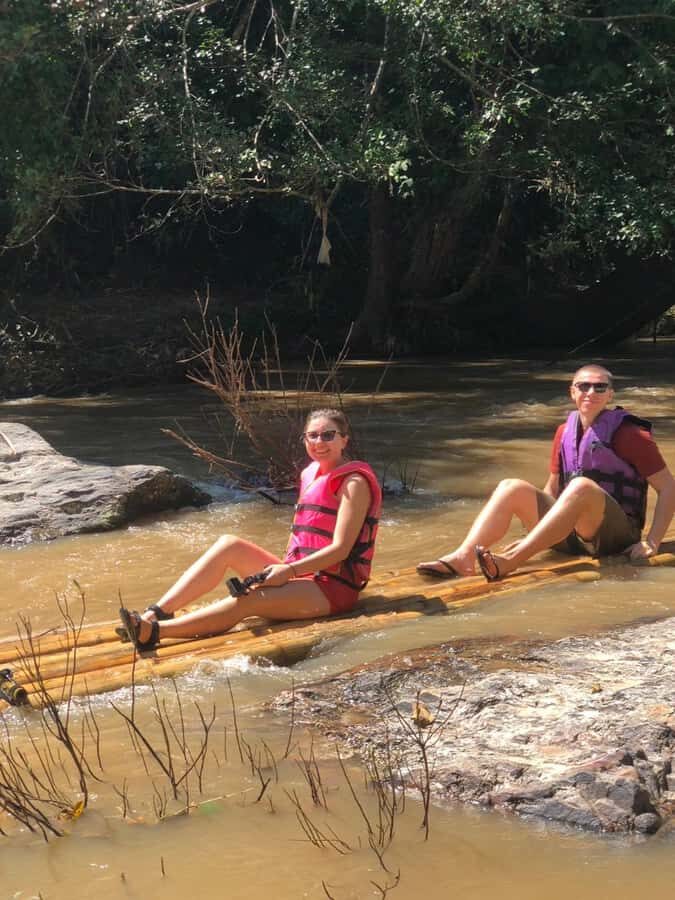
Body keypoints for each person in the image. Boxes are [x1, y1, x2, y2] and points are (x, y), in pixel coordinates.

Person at [118, 409, 382, 650]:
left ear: (344, 440)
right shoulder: (310, 473)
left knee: (251, 598)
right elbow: (301, 533)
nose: (319, 442)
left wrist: (288, 572)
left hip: (332, 588)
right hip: (301, 575)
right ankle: (156, 613)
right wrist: (283, 570)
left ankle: (154, 632)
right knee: (228, 545)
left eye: (328, 435)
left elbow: (341, 549)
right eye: (312, 436)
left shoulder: (353, 483)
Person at [416, 364, 675, 582]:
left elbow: (667, 487)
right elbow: (551, 490)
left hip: (614, 538)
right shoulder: (564, 432)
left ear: (610, 395)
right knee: (511, 486)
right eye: (583, 386)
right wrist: (531, 536)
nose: (591, 392)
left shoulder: (630, 434)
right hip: (571, 537)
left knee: (581, 486)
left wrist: (652, 541)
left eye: (600, 387)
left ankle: (509, 562)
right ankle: (464, 558)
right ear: (572, 392)